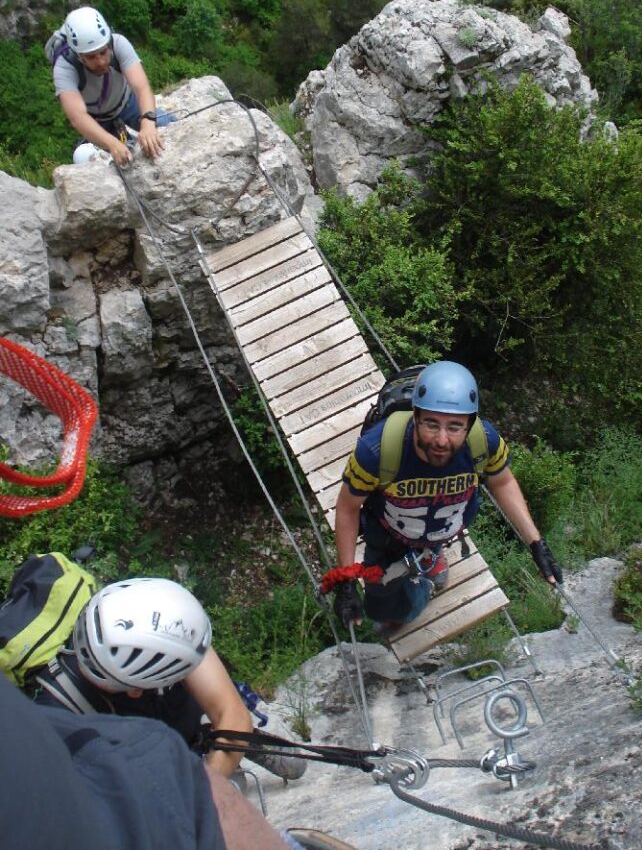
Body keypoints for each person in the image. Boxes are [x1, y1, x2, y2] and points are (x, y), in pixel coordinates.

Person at [332, 361, 563, 634]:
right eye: (431, 424)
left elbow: (502, 482)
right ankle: (422, 582)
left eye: (454, 427)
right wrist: (346, 580)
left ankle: (431, 558)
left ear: (470, 425)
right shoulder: (377, 451)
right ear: (415, 417)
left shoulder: (484, 441)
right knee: (380, 609)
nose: (441, 440)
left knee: (420, 557)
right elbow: (348, 509)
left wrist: (537, 544)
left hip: (441, 526)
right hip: (389, 534)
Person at [31, 576, 299, 781]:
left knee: (290, 766)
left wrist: (210, 784)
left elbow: (231, 712)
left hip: (172, 721)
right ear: (136, 691)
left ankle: (211, 740)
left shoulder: (160, 620)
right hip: (127, 764)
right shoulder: (55, 717)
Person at [1, 672, 299, 850]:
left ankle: (223, 746)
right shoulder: (61, 704)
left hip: (172, 743)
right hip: (159, 755)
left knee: (287, 768)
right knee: (222, 789)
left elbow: (231, 712)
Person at [53, 6, 174, 167]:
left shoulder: (118, 43)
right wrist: (112, 144)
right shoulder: (65, 67)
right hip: (96, 121)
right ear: (78, 55)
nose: (101, 61)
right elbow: (78, 117)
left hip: (127, 103)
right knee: (84, 156)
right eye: (91, 57)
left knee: (167, 124)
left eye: (103, 53)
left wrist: (148, 122)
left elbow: (141, 88)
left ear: (108, 44)